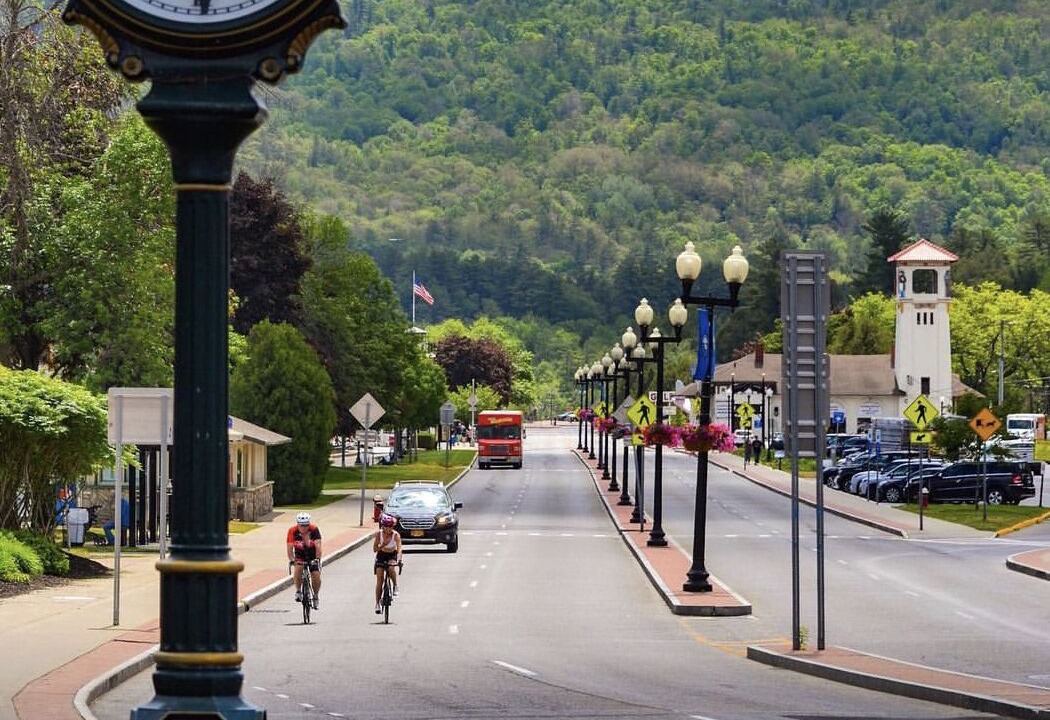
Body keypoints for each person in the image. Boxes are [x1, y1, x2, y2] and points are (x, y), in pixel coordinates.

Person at [287, 511, 322, 610]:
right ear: (297, 524)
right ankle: (298, 591)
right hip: (300, 554)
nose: (304, 528)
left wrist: (317, 559)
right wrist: (292, 559)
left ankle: (315, 596)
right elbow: (289, 547)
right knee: (298, 568)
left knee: (315, 575)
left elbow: (318, 545)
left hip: (312, 554)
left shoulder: (314, 529)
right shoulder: (292, 531)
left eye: (306, 525)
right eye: (301, 525)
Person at [373, 513, 402, 614]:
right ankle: (377, 603)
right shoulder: (378, 534)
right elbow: (374, 549)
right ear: (383, 526)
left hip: (391, 555)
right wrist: (381, 545)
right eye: (386, 527)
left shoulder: (396, 535)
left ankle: (395, 585)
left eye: (390, 527)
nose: (389, 529)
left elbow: (399, 548)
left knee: (391, 568)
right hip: (381, 554)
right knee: (379, 579)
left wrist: (399, 559)